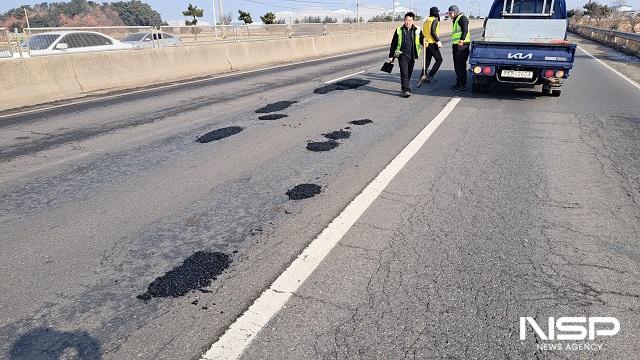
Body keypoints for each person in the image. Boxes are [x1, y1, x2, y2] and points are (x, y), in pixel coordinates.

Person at [388, 12, 424, 97]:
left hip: (412, 55)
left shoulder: (417, 30)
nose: (407, 22)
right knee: (404, 73)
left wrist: (425, 42)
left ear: (413, 21)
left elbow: (422, 39)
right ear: (404, 20)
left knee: (409, 74)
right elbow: (393, 43)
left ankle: (403, 86)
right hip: (402, 55)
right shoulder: (399, 30)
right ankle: (406, 89)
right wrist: (391, 56)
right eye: (406, 20)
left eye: (409, 20)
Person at [448, 5, 471, 92]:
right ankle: (458, 83)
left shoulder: (462, 18)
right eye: (449, 13)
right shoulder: (455, 20)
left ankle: (462, 85)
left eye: (451, 13)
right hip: (456, 46)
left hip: (462, 45)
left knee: (460, 66)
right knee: (457, 66)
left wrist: (462, 40)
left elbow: (465, 29)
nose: (449, 15)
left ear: (455, 11)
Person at [421, 7, 443, 83]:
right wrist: (438, 41)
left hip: (426, 43)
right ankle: (430, 75)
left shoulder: (426, 20)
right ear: (435, 12)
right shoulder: (434, 20)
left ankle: (422, 76)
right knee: (439, 59)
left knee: (427, 61)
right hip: (432, 43)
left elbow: (423, 33)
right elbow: (432, 32)